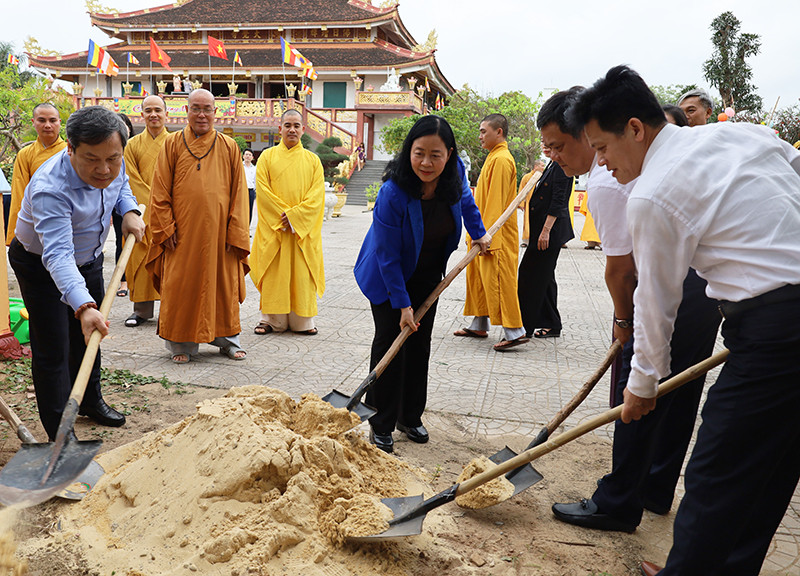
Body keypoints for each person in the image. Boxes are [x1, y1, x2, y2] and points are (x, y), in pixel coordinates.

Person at [572, 64, 800, 576]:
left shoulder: (652, 193)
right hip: (776, 320)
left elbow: (656, 301)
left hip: (774, 330)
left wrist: (642, 384)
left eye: (603, 148)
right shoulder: (743, 135)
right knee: (772, 466)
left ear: (635, 128)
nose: (601, 163)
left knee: (716, 472)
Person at [535, 88, 720, 537]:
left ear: (587, 133)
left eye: (561, 145)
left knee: (637, 395)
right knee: (677, 389)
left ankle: (617, 502)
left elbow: (622, 272)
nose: (556, 156)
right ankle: (655, 489)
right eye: (548, 149)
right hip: (706, 288)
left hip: (675, 285)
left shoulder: (603, 179)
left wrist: (624, 325)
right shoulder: (660, 153)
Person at [8, 106, 145, 440]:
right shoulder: (49, 188)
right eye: (91, 159)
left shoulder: (114, 159)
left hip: (88, 259)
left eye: (112, 158)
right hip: (40, 264)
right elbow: (57, 255)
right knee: (53, 347)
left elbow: (122, 184)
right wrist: (82, 306)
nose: (104, 169)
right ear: (70, 149)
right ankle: (61, 432)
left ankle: (89, 401)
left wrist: (129, 210)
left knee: (89, 339)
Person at [354, 115, 490, 453]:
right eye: (419, 153)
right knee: (391, 343)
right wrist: (402, 306)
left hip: (429, 272)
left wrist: (480, 233)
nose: (426, 163)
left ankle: (410, 416)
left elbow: (467, 205)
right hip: (388, 280)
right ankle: (381, 421)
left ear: (450, 154)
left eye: (435, 155)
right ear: (408, 152)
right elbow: (387, 256)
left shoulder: (455, 174)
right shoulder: (392, 192)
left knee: (419, 344)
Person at [146, 88, 250, 364]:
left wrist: (236, 231)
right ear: (187, 111)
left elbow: (240, 194)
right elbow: (159, 191)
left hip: (220, 235)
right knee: (181, 285)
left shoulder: (229, 146)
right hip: (182, 234)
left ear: (216, 112)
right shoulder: (172, 144)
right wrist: (164, 227)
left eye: (207, 109)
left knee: (222, 285)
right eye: (196, 108)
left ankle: (227, 340)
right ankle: (181, 344)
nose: (202, 114)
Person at [455, 114, 527, 351]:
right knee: (480, 280)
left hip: (495, 236)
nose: (480, 136)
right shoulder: (493, 157)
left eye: (484, 131)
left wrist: (486, 237)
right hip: (483, 232)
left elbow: (495, 203)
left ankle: (515, 331)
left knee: (499, 282)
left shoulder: (502, 160)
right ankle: (479, 323)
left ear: (499, 132)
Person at [250, 110, 325, 336]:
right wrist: (285, 216)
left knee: (301, 274)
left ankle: (303, 321)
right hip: (277, 229)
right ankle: (270, 320)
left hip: (300, 231)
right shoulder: (267, 157)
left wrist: (296, 217)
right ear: (280, 129)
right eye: (287, 125)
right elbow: (262, 191)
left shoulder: (313, 160)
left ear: (303, 129)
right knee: (275, 274)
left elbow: (317, 196)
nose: (292, 129)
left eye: (296, 125)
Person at [517, 116, 574, 339]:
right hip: (543, 230)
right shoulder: (552, 165)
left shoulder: (562, 166)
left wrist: (545, 231)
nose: (544, 146)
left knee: (531, 276)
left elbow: (559, 201)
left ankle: (525, 326)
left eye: (548, 143)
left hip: (549, 233)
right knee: (546, 278)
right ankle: (552, 324)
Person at [122, 95, 169, 327]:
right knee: (139, 259)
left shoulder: (176, 142)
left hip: (169, 213)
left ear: (166, 114)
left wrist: (164, 206)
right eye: (148, 110)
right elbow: (129, 179)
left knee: (169, 261)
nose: (153, 114)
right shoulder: (131, 145)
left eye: (158, 110)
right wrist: (149, 206)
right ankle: (141, 310)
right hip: (140, 212)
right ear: (142, 114)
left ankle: (170, 310)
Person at [6, 103, 67, 245]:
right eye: (42, 120)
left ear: (59, 122)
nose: (47, 125)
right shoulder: (25, 154)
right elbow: (19, 194)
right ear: (33, 122)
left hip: (64, 217)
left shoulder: (70, 152)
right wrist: (16, 233)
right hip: (33, 219)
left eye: (52, 120)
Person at [518, 159, 545, 248]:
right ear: (535, 167)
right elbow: (521, 190)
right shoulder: (527, 177)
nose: (543, 168)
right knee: (527, 222)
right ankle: (526, 240)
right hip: (529, 203)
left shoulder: (543, 176)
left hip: (540, 204)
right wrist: (521, 203)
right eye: (541, 166)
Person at [242, 148, 257, 225]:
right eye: (246, 154)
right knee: (240, 210)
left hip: (251, 191)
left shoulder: (254, 169)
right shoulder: (240, 167)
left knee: (249, 210)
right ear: (243, 156)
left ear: (252, 157)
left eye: (250, 155)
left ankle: (247, 228)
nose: (248, 156)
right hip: (241, 191)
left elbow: (255, 180)